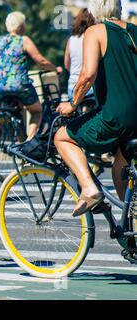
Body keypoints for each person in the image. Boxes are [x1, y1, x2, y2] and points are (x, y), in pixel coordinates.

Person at [55, 0, 137, 217]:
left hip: (116, 116)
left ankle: (89, 189)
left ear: (94, 9)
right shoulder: (134, 31)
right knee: (121, 162)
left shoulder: (96, 32)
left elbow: (87, 74)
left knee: (61, 138)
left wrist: (72, 104)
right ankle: (131, 225)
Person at [0, 11, 63, 140]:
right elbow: (40, 61)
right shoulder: (23, 40)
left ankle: (19, 138)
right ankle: (29, 143)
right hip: (19, 85)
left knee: (19, 108)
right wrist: (55, 69)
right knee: (36, 111)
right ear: (21, 26)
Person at [64, 8, 96, 101]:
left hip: (72, 87)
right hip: (90, 88)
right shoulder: (94, 39)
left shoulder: (71, 40)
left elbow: (66, 64)